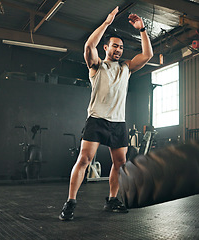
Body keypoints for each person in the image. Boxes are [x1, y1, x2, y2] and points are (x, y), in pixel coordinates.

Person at [59, 6, 153, 221]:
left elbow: (148, 54)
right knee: (84, 160)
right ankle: (70, 202)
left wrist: (142, 29)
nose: (118, 50)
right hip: (96, 121)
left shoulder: (126, 68)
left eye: (121, 47)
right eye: (114, 46)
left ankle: (112, 200)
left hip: (118, 123)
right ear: (106, 47)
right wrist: (106, 23)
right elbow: (88, 45)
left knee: (120, 164)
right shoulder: (97, 66)